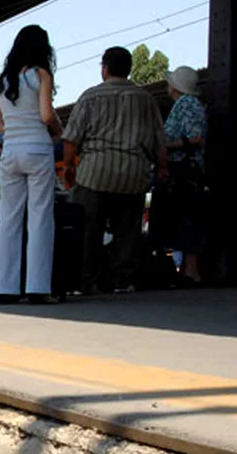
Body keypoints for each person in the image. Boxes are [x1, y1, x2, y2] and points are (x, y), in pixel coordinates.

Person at [62, 46, 167, 294]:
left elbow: (71, 138)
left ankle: (85, 280)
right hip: (134, 174)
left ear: (105, 68)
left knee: (88, 230)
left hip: (95, 173)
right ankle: (122, 280)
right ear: (129, 69)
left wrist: (67, 166)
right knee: (127, 231)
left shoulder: (90, 97)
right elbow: (158, 141)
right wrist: (162, 167)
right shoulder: (146, 99)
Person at [0, 25, 61, 304]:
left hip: (10, 153)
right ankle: (37, 287)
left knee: (8, 220)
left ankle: (5, 288)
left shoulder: (2, 80)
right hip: (38, 150)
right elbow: (45, 115)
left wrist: (15, 130)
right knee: (40, 217)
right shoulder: (41, 74)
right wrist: (59, 127)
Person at [151, 64, 208, 284]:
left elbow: (195, 138)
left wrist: (165, 147)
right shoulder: (192, 104)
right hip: (187, 171)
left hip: (182, 170)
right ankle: (187, 269)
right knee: (185, 219)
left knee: (184, 219)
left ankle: (191, 271)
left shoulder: (186, 104)